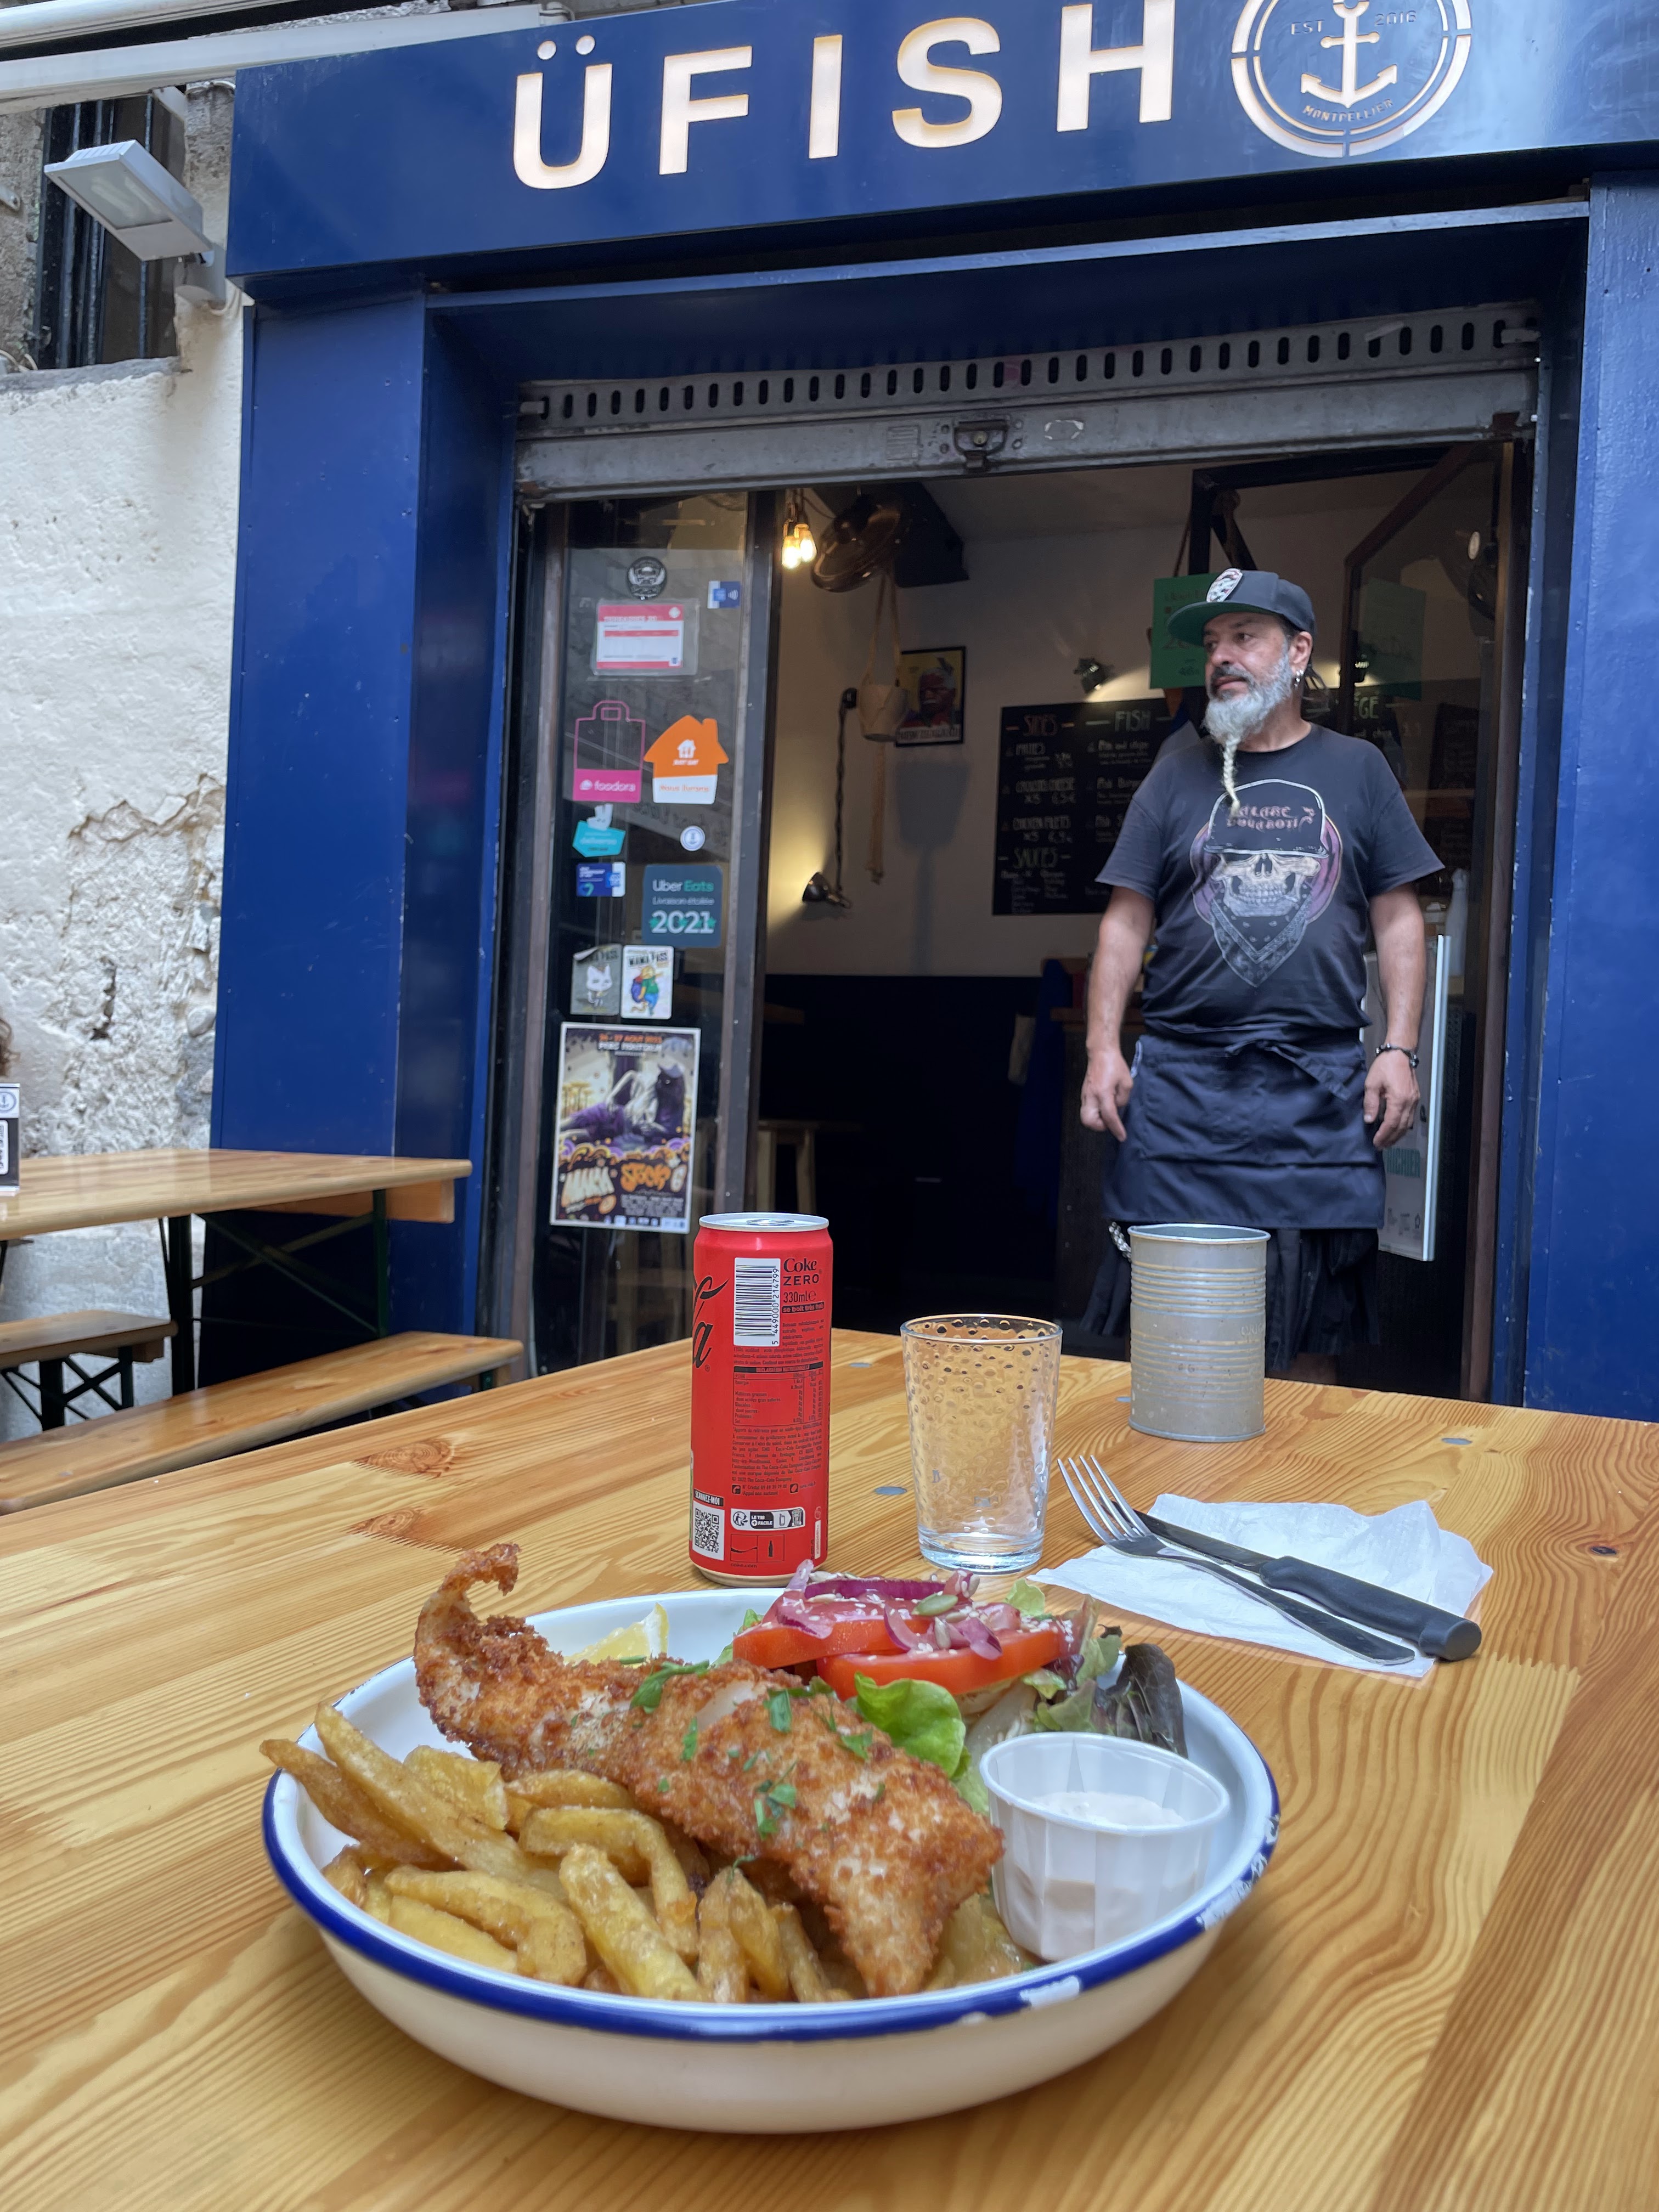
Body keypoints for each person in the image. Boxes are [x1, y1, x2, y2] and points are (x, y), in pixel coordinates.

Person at [1080, 568, 1440, 1381]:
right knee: (1170, 1327)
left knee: (1307, 1330)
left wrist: (1399, 1048)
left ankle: (1295, 1468)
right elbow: (1126, 921)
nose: (1221, 657)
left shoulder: (1358, 770)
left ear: (1299, 652)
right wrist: (1103, 1048)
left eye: (1244, 636)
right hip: (1181, 1090)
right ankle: (1170, 1463)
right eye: (1212, 643)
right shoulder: (1174, 775)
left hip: (1318, 1087)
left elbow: (1398, 917)